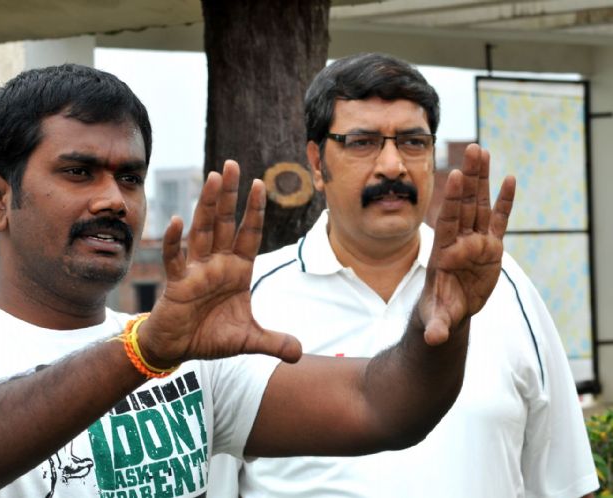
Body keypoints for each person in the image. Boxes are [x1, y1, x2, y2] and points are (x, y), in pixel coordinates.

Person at [0, 63, 515, 498]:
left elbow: (382, 408)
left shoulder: (191, 361)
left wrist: (440, 323)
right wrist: (138, 353)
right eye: (79, 172)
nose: (113, 199)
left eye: (130, 177)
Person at [210, 52, 598, 498]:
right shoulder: (251, 301)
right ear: (317, 164)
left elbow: (567, 484)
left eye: (413, 142)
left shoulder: (502, 287)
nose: (392, 166)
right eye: (363, 142)